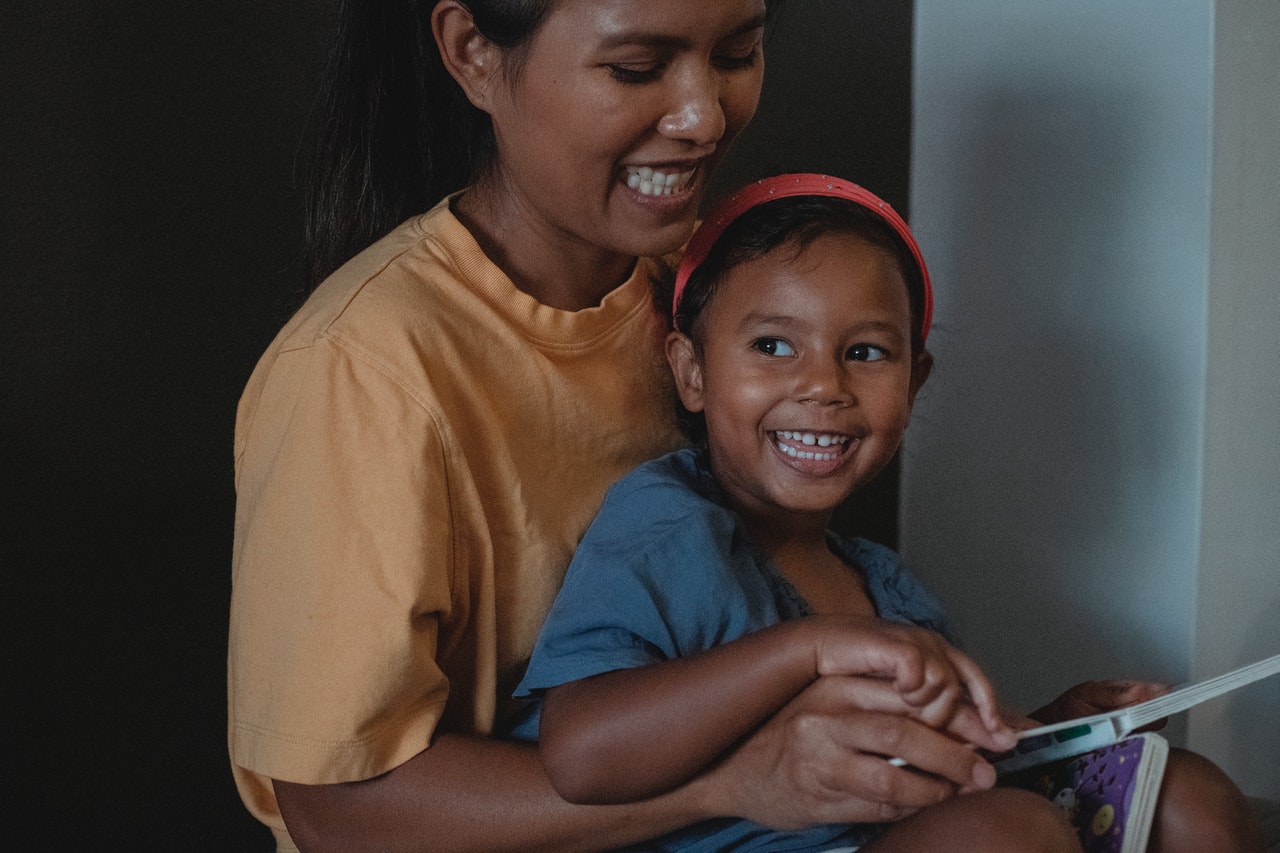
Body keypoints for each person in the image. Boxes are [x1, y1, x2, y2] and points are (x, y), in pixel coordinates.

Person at [229, 3, 1007, 852]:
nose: (703, 116)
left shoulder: (709, 295)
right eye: (637, 69)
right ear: (473, 55)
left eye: (739, 53)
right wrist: (735, 777)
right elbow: (336, 808)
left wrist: (1031, 738)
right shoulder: (362, 370)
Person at [513, 174, 1268, 852]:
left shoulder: (885, 584)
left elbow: (939, 759)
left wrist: (1045, 728)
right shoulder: (667, 523)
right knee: (1007, 836)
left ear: (914, 379)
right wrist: (805, 650)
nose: (823, 386)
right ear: (692, 370)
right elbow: (580, 754)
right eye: (774, 344)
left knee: (1191, 798)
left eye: (867, 353)